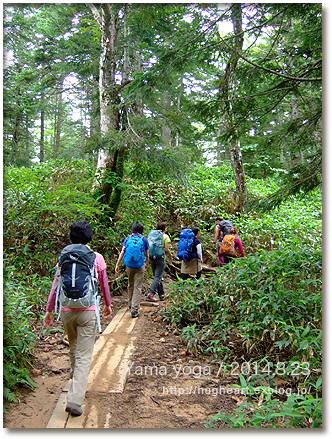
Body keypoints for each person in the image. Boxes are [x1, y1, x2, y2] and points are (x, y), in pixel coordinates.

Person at [43, 220, 112, 417]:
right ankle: (74, 399)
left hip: (66, 310)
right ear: (89, 237)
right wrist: (107, 305)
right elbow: (104, 284)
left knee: (74, 348)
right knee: (83, 355)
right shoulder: (96, 257)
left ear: (71, 237)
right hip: (87, 311)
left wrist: (49, 310)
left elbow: (57, 283)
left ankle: (75, 383)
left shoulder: (64, 256)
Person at [115, 221, 149, 318]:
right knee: (138, 287)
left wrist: (117, 264)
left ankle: (130, 305)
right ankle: (134, 309)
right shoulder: (143, 239)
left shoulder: (128, 238)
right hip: (139, 265)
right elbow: (147, 254)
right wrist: (146, 263)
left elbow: (122, 252)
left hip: (129, 265)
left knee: (131, 284)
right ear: (141, 230)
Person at [146, 221, 173, 302]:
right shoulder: (165, 236)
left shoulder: (151, 234)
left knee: (157, 276)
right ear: (164, 228)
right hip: (160, 258)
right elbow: (167, 249)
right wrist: (170, 256)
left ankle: (161, 295)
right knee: (158, 277)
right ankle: (150, 294)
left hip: (151, 257)